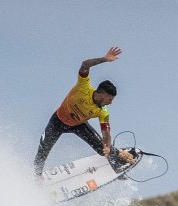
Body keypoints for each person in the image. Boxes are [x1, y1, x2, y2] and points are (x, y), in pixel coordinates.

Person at [33, 46, 136, 176]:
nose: (111, 102)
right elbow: (85, 64)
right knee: (42, 153)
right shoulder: (84, 87)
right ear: (102, 94)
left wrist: (108, 147)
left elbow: (106, 134)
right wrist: (105, 59)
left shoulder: (102, 111)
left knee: (102, 148)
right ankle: (36, 177)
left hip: (78, 126)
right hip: (57, 122)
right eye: (110, 99)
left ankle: (119, 157)